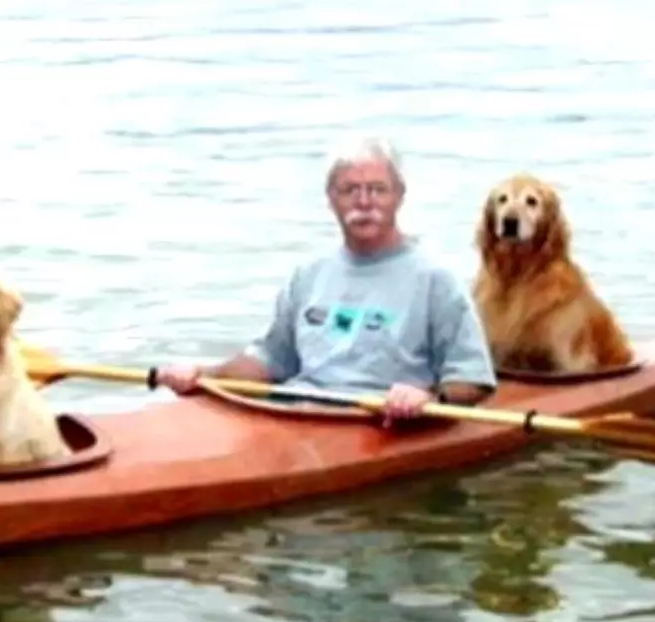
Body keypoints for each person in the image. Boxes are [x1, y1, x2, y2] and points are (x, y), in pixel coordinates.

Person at [153, 137, 497, 425]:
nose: (364, 202)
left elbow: (473, 379)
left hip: (377, 420)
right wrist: (203, 375)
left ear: (399, 196)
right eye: (350, 190)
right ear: (331, 199)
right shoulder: (309, 274)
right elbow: (271, 360)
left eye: (377, 190)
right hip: (298, 411)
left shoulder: (435, 279)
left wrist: (431, 396)